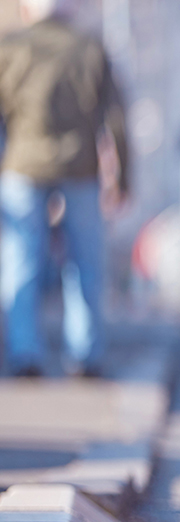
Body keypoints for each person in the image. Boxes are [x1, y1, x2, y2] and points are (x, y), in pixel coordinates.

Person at [0, 0, 128, 377]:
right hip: (80, 167)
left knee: (22, 261)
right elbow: (115, 118)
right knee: (85, 263)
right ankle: (85, 354)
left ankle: (25, 353)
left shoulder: (11, 48)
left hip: (22, 166)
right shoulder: (90, 48)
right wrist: (123, 178)